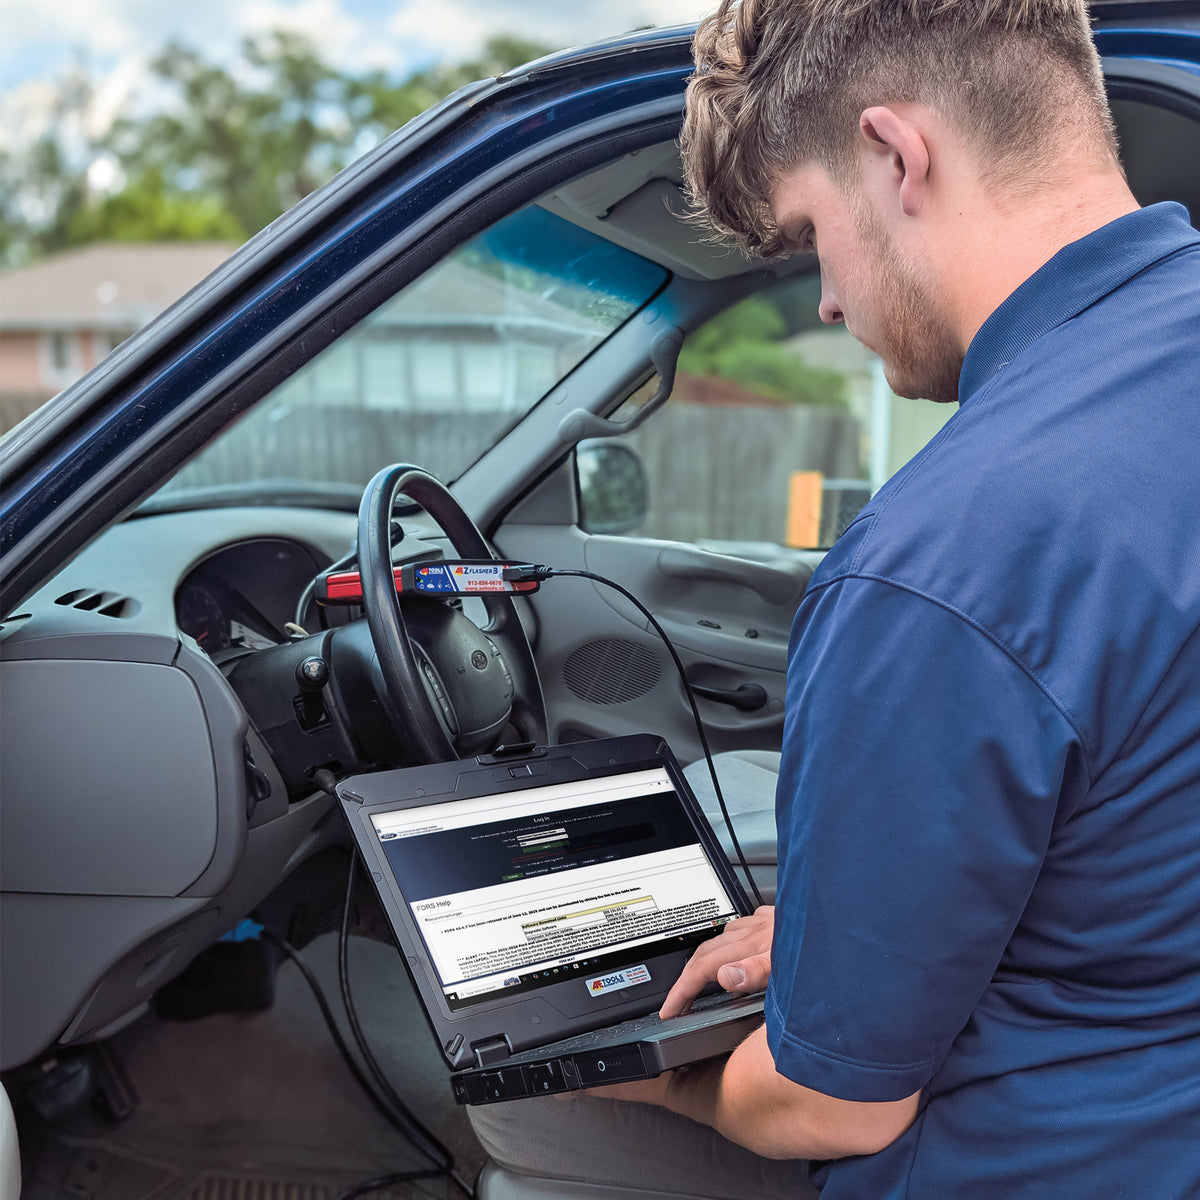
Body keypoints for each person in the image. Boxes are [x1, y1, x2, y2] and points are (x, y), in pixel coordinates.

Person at [468, 0, 1200, 1194]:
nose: (828, 303)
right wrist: (832, 945)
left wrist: (655, 1070)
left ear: (898, 155)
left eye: (812, 235)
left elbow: (828, 1108)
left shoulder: (944, 564)